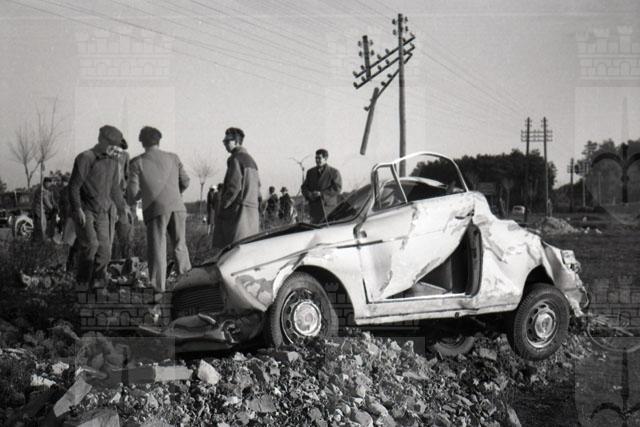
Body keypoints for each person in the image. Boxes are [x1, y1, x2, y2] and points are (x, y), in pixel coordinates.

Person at [127, 126, 191, 292]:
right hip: (178, 206)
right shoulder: (174, 158)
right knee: (180, 246)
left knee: (157, 250)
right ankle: (189, 285)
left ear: (142, 142)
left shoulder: (136, 162)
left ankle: (158, 290)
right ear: (159, 140)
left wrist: (141, 196)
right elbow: (185, 181)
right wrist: (174, 193)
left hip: (155, 209)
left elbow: (132, 194)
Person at [69, 125, 127, 287]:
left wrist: (122, 209)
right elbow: (73, 186)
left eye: (116, 146)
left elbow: (115, 189)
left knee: (105, 251)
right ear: (101, 140)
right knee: (91, 245)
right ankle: (82, 287)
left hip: (103, 212)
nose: (115, 149)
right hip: (85, 210)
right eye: (112, 145)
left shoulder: (113, 162)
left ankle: (98, 287)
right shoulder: (85, 158)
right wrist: (77, 208)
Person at [212, 127, 260, 251]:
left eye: (227, 141)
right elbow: (258, 189)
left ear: (237, 142)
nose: (224, 144)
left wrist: (223, 205)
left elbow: (234, 187)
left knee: (233, 252)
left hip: (238, 214)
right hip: (252, 214)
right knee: (249, 251)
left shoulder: (235, 159)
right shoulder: (252, 160)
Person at [301, 148, 342, 224]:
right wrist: (309, 195)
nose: (317, 160)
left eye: (319, 158)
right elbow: (304, 187)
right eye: (316, 158)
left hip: (328, 209)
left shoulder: (334, 172)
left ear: (325, 158)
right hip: (314, 209)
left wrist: (321, 194)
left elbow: (337, 188)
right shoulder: (310, 172)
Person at [112, 139, 134, 259]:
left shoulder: (125, 156)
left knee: (125, 237)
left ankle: (127, 263)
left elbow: (128, 177)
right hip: (105, 201)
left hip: (121, 201)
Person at [31, 176, 57, 241]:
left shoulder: (41, 189)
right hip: (39, 211)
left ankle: (36, 240)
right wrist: (53, 209)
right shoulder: (42, 190)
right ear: (46, 183)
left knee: (38, 226)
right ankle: (39, 241)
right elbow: (46, 201)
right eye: (49, 183)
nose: (49, 185)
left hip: (38, 210)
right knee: (41, 226)